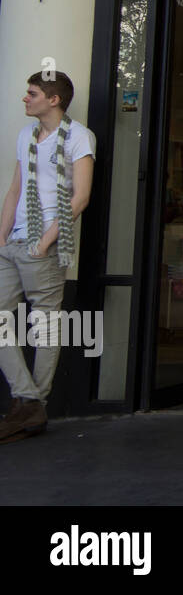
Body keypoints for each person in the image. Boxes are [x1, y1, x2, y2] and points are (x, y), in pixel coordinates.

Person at [0, 72, 95, 442]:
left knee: (45, 324)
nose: (26, 99)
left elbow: (80, 197)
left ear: (53, 100)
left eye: (32, 93)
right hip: (14, 243)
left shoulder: (78, 136)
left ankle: (31, 405)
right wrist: (2, 236)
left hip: (46, 244)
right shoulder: (26, 135)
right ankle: (29, 401)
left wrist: (44, 242)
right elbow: (15, 188)